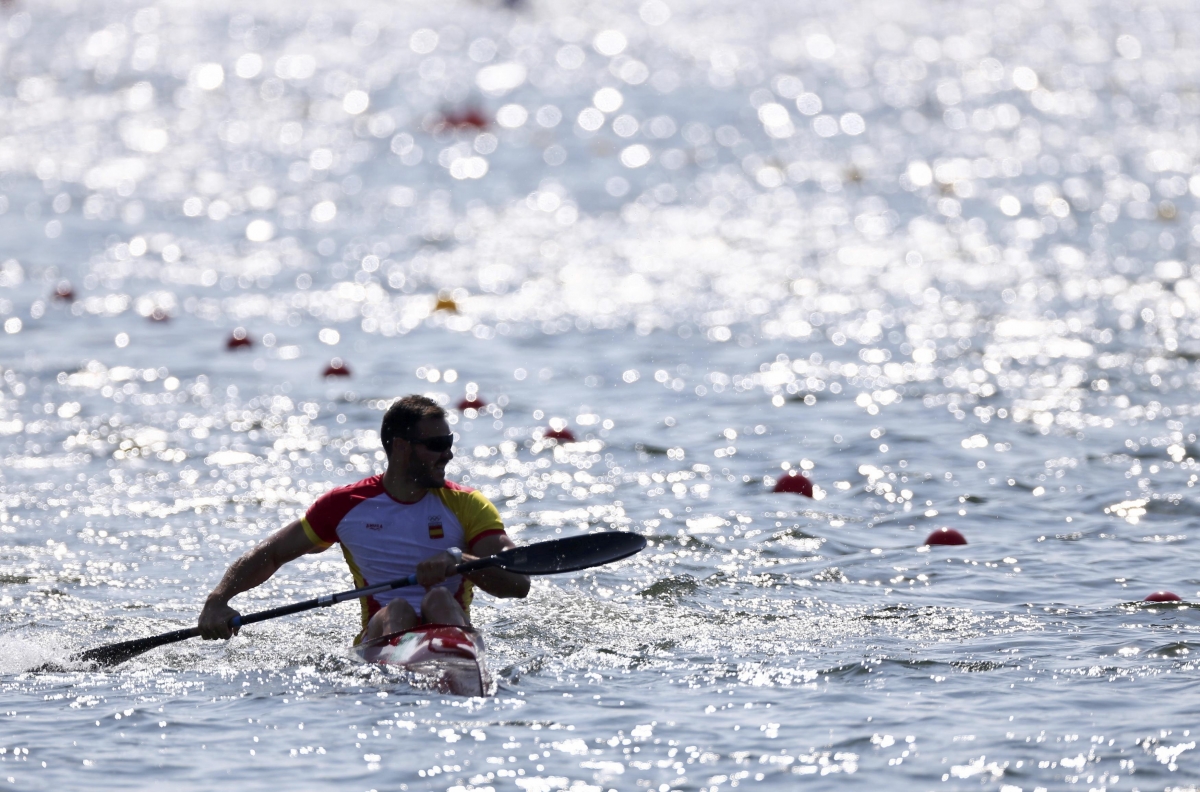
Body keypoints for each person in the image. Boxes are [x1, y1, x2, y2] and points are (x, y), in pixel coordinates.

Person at [198, 394, 529, 643]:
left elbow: (518, 584)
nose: (449, 453)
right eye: (436, 444)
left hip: (451, 629)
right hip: (382, 635)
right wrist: (218, 600)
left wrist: (461, 561)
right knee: (397, 608)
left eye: (449, 442)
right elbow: (271, 553)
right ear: (401, 447)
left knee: (439, 598)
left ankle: (449, 662)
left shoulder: (468, 505)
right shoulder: (345, 506)